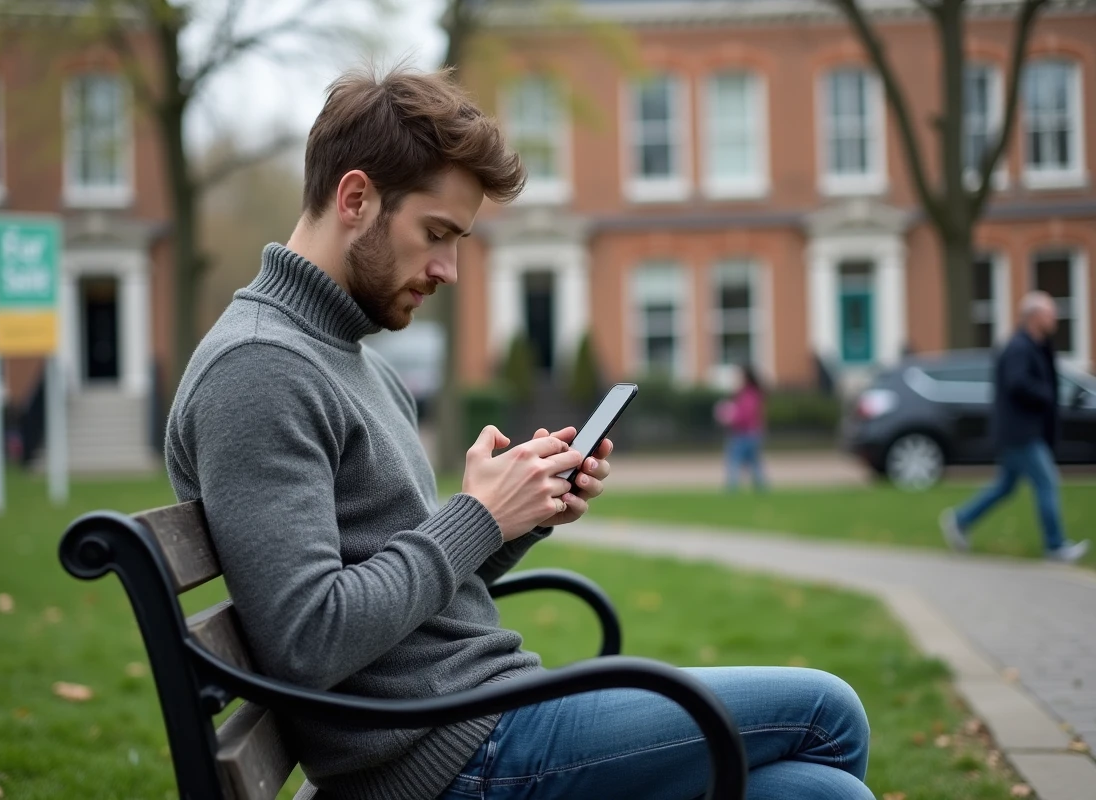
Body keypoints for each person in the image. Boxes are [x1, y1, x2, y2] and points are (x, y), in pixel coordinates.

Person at [165, 65, 874, 800]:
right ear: (355, 199)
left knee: (824, 794)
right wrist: (477, 515)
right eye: (436, 233)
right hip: (453, 755)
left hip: (483, 718)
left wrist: (515, 519)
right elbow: (309, 641)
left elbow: (411, 604)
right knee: (829, 714)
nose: (450, 269)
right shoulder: (259, 369)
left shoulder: (353, 362)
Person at [939, 291, 1089, 563]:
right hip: (1021, 432)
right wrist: (1046, 394)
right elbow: (1017, 383)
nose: (1054, 318)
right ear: (1034, 317)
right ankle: (1055, 545)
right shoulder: (1019, 348)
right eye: (1049, 313)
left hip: (1026, 430)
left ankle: (961, 519)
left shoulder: (1037, 345)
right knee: (1046, 481)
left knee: (1005, 486)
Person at [717, 364, 768, 492]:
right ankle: (761, 487)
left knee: (735, 461)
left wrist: (729, 418)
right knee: (754, 463)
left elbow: (745, 415)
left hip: (744, 434)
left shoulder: (748, 395)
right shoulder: (747, 394)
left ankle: (732, 488)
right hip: (750, 433)